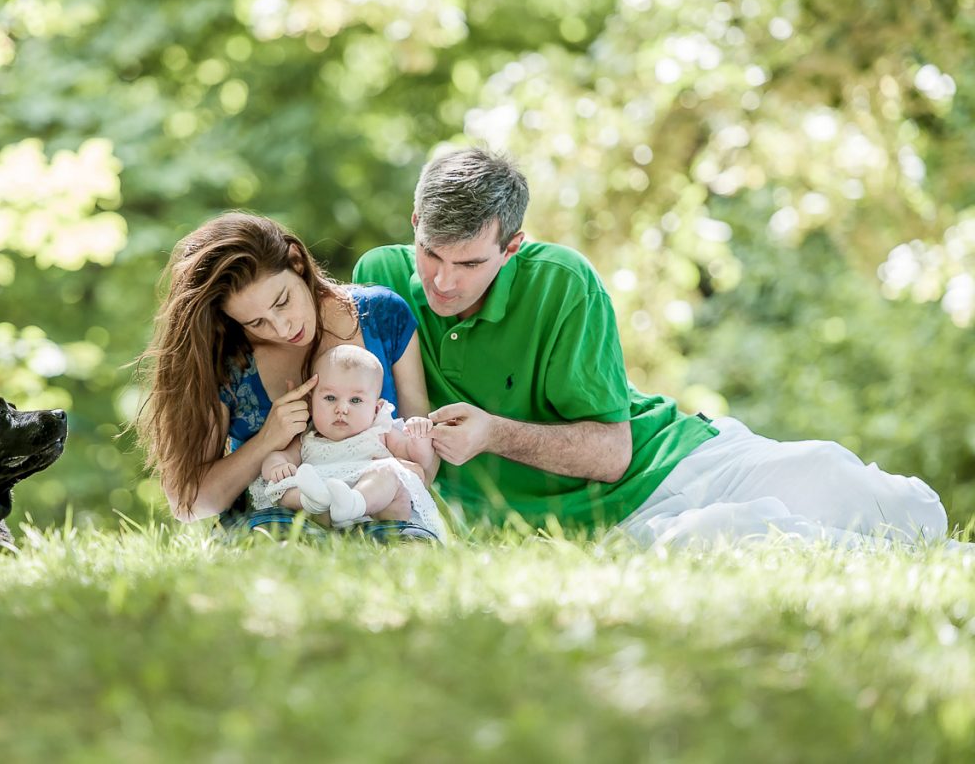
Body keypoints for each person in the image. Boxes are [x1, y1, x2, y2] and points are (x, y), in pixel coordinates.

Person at [353, 146, 950, 547]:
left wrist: (492, 433)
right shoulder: (379, 283)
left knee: (902, 511)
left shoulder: (561, 281)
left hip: (667, 462)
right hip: (609, 530)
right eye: (431, 254)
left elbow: (613, 451)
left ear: (511, 249)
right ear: (413, 225)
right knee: (761, 539)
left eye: (469, 262)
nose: (444, 281)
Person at [137, 212, 440, 541]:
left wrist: (409, 472)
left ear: (296, 262)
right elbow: (188, 503)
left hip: (383, 518)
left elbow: (419, 440)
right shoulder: (227, 361)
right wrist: (269, 438)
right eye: (256, 323)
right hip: (272, 527)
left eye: (282, 302)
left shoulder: (383, 316)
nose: (283, 329)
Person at [250, 344, 448, 540]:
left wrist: (419, 437)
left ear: (376, 409)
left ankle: (355, 503)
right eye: (330, 398)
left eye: (355, 400)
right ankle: (312, 501)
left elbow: (417, 459)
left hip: (379, 519)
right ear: (311, 403)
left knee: (389, 473)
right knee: (285, 486)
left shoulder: (380, 431)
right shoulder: (306, 437)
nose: (342, 409)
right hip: (322, 503)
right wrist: (277, 466)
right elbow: (279, 456)